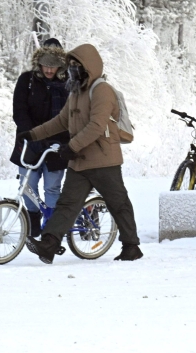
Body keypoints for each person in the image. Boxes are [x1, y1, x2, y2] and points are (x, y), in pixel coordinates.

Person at [23, 44, 143, 263]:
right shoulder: (76, 92)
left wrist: (71, 147)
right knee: (67, 204)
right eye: (70, 66)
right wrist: (33, 134)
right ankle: (48, 244)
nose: (72, 70)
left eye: (76, 66)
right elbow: (61, 121)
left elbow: (97, 125)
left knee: (118, 203)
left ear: (89, 67)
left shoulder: (102, 90)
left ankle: (131, 246)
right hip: (80, 162)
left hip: (103, 160)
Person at [11, 38, 70, 237]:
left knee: (52, 188)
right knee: (26, 185)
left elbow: (72, 115)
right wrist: (32, 134)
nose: (49, 71)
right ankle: (33, 218)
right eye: (46, 65)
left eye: (54, 67)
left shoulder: (69, 84)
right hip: (30, 142)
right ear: (39, 62)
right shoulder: (26, 80)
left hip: (57, 143)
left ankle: (51, 228)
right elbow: (19, 111)